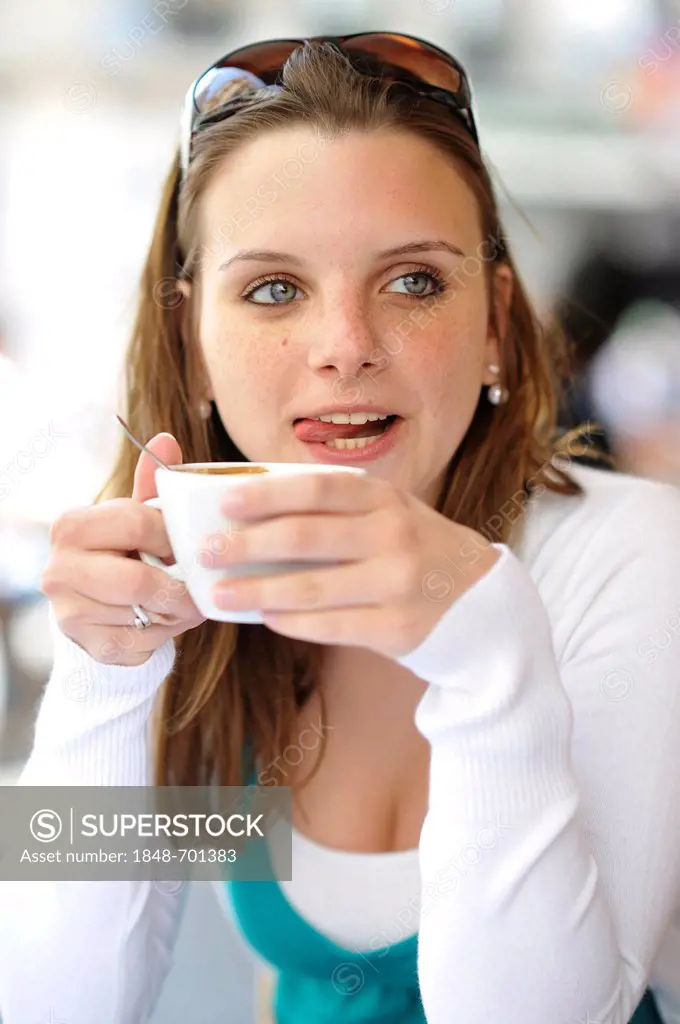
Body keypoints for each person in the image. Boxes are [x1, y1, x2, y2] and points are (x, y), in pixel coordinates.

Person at [1, 33, 680, 1024]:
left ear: (496, 322)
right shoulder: (196, 574)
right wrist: (106, 671)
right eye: (274, 288)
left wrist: (492, 662)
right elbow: (48, 1006)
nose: (345, 349)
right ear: (191, 339)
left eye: (411, 281)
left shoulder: (634, 551)